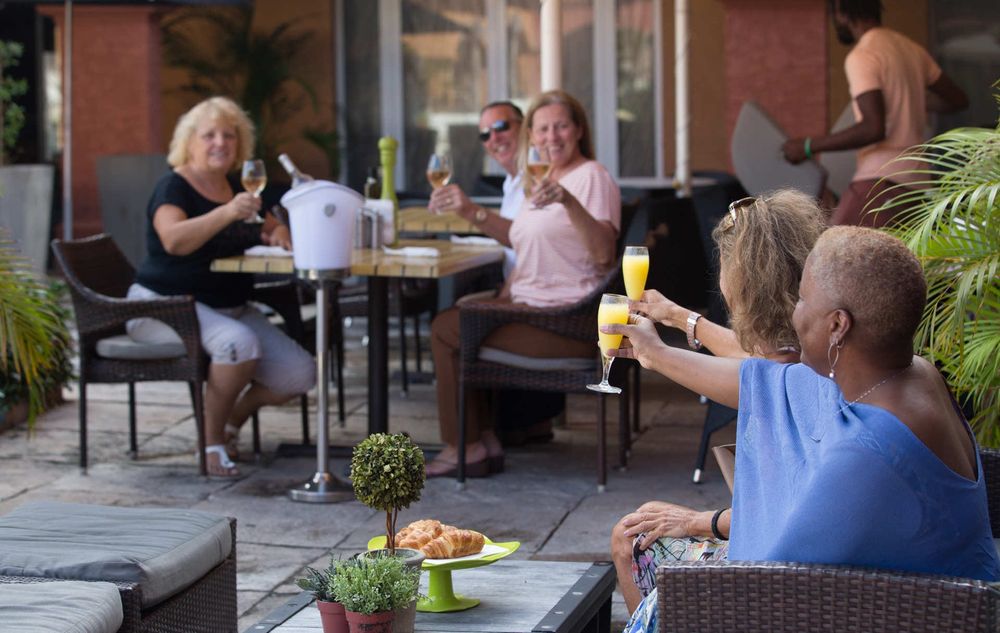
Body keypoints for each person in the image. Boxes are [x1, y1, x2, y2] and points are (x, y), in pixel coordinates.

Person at [606, 225, 1000, 632]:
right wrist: (657, 354)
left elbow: (767, 580)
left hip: (883, 612)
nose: (795, 313)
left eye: (804, 299)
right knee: (639, 539)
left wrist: (698, 523)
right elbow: (765, 380)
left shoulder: (870, 454)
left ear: (837, 326)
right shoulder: (907, 375)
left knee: (654, 574)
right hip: (874, 592)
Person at [609, 190, 827, 615]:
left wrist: (697, 521)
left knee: (631, 540)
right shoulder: (814, 349)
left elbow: (757, 377)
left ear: (745, 283)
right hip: (802, 563)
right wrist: (679, 318)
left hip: (783, 582)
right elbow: (760, 362)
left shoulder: (787, 381)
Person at [426, 89, 621, 478]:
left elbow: (603, 254)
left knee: (447, 329)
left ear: (578, 129)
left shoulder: (591, 177)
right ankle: (483, 439)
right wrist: (469, 211)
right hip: (532, 310)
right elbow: (521, 240)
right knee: (460, 316)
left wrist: (568, 201)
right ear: (531, 137)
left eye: (561, 126)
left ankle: (464, 446)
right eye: (543, 129)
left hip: (569, 321)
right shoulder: (543, 179)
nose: (552, 137)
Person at [126, 96, 316, 478]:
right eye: (209, 135)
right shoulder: (174, 186)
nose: (220, 143)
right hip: (163, 306)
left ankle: (231, 422)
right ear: (189, 142)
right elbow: (173, 240)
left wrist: (278, 232)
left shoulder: (236, 185)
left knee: (300, 374)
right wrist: (226, 212)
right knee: (238, 344)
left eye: (229, 136)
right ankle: (210, 445)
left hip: (226, 305)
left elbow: (268, 224)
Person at [782, 0, 968, 227]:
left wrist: (808, 146)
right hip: (917, 184)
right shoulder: (911, 49)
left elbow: (873, 128)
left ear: (841, 12)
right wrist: (910, 100)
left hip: (882, 178)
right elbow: (957, 99)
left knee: (832, 250)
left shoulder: (863, 55)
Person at [429, 100, 524, 279]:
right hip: (514, 289)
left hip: (533, 299)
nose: (494, 138)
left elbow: (525, 240)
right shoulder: (511, 182)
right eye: (485, 135)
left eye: (501, 126)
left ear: (525, 127)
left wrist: (470, 210)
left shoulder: (539, 177)